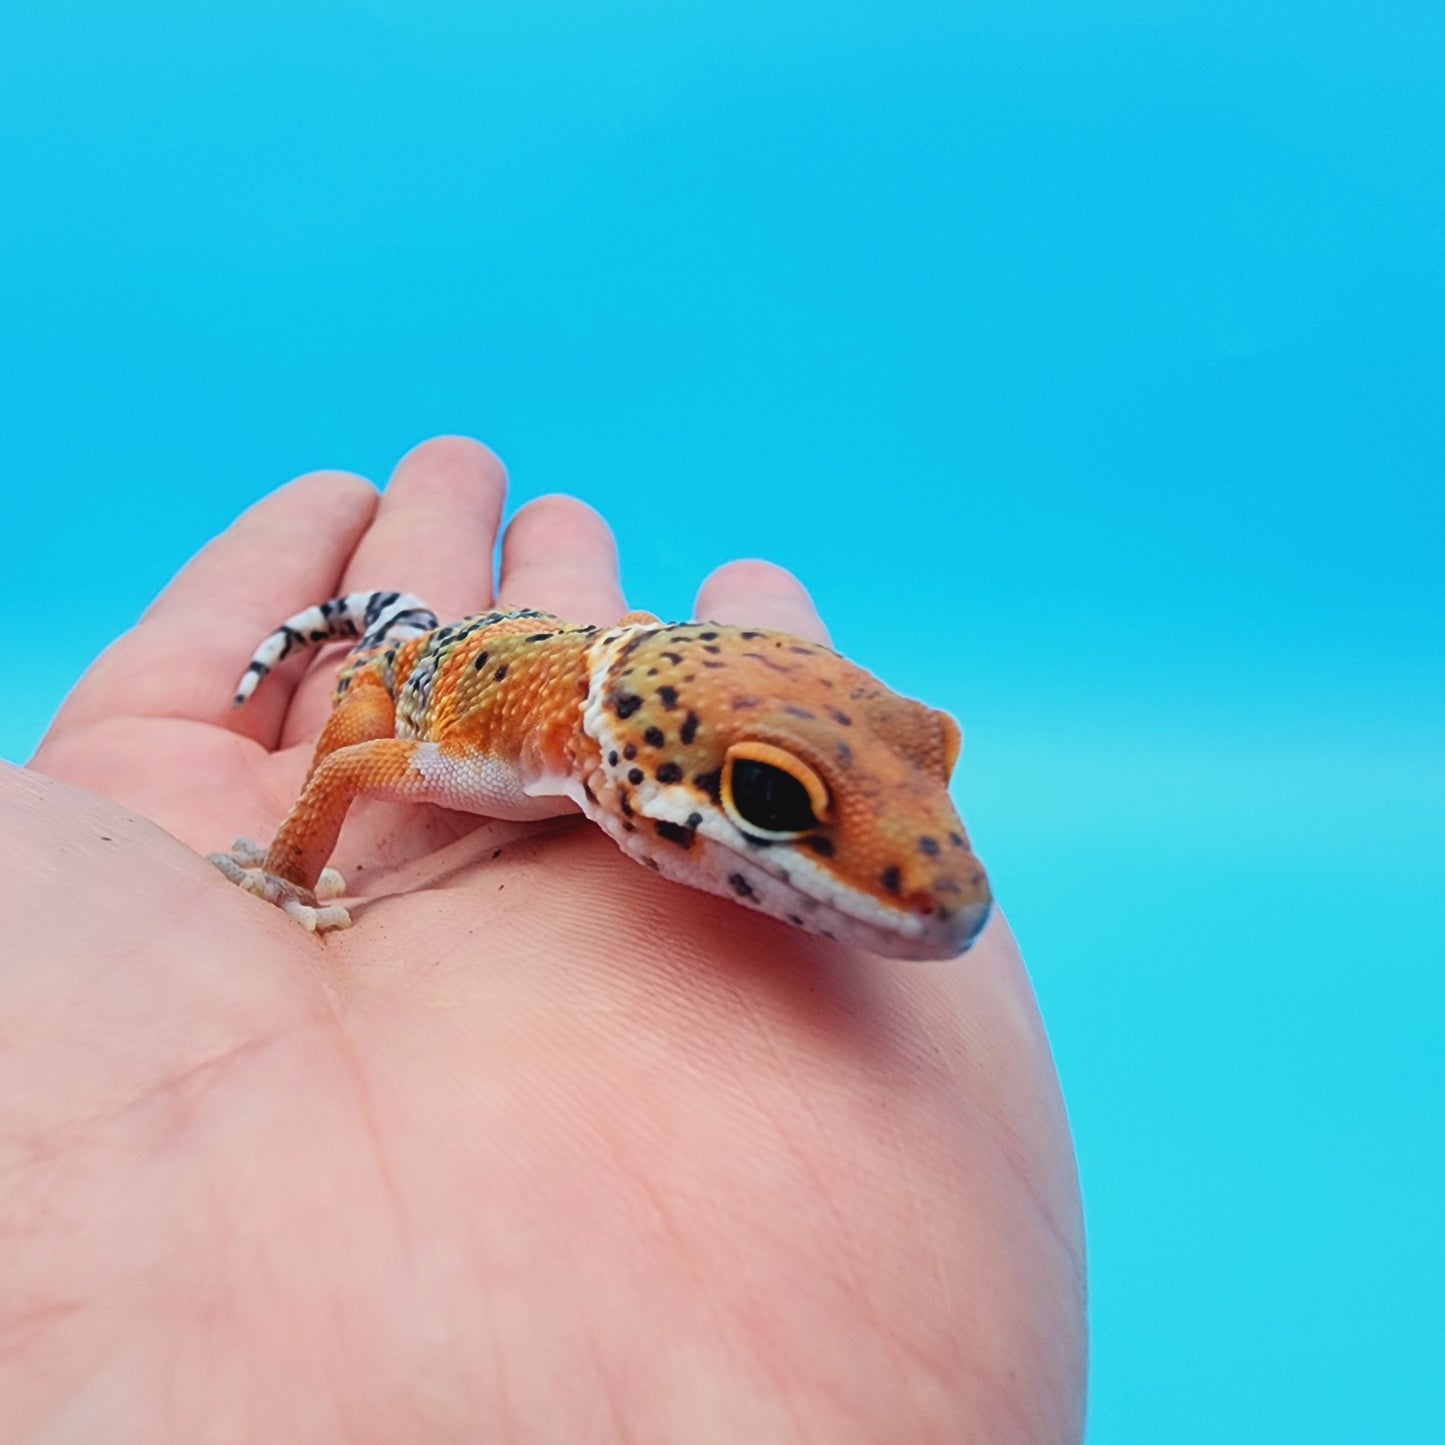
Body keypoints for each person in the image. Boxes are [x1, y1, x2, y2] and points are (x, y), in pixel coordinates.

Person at [2, 437, 1085, 1441]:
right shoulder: (489, 769)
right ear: (611, 753)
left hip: (576, 657)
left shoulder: (608, 748)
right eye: (769, 795)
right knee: (362, 706)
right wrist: (282, 876)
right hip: (423, 668)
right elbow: (351, 767)